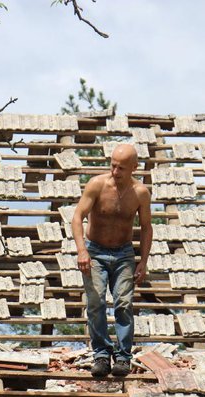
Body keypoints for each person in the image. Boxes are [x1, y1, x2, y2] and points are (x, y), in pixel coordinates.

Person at [71, 143, 152, 377]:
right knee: (95, 303)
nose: (116, 172)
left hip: (123, 252)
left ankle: (123, 356)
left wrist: (143, 261)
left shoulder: (140, 193)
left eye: (122, 168)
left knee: (124, 304)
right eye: (113, 166)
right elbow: (77, 217)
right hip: (95, 251)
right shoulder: (97, 185)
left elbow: (146, 227)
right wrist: (81, 251)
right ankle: (102, 354)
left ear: (134, 168)